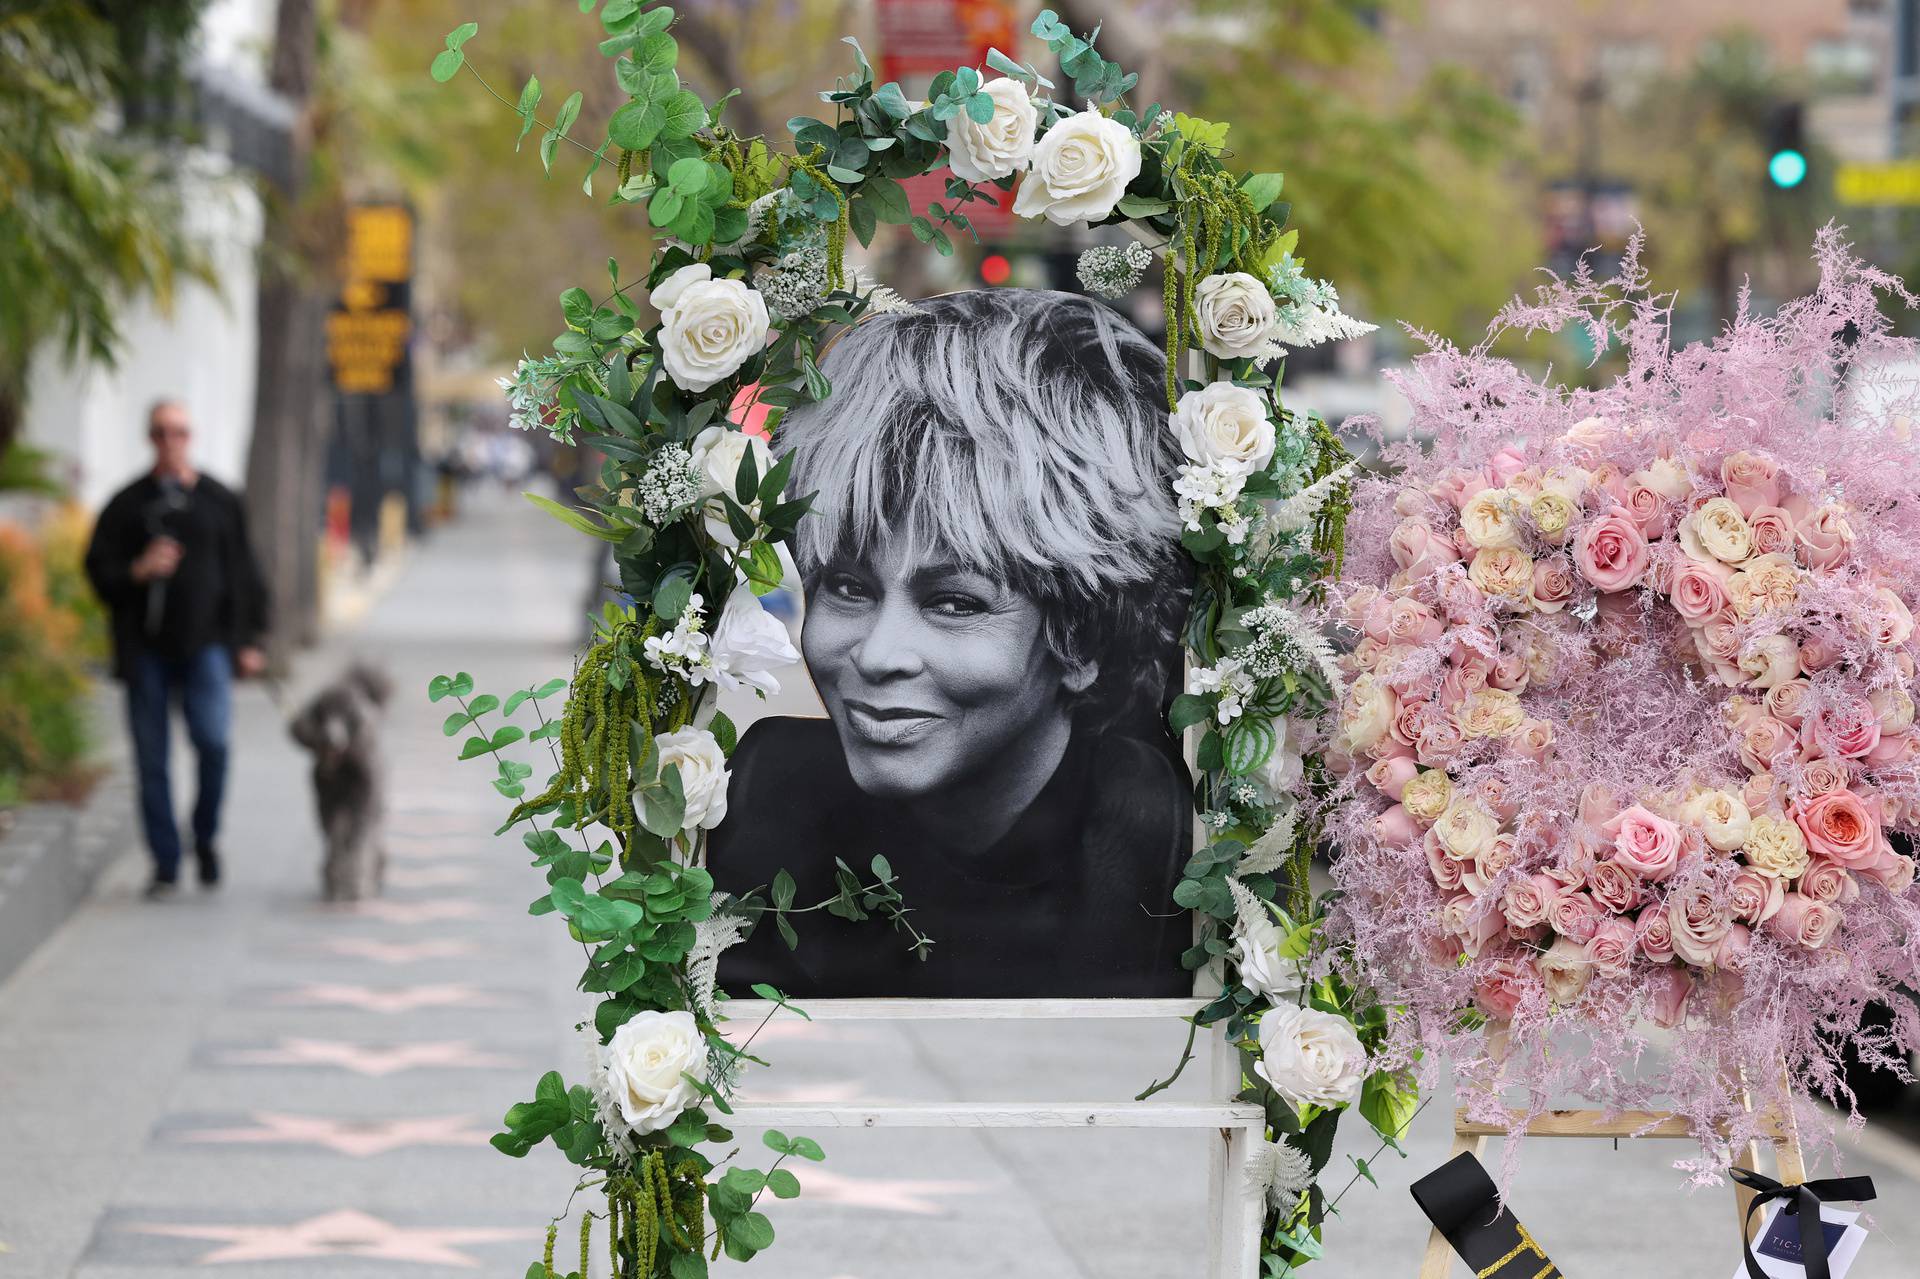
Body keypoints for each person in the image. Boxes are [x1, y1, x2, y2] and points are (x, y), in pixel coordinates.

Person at [712, 290, 1194, 998]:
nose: (879, 654)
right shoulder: (762, 804)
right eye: (848, 587)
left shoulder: (1151, 851)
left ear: (1083, 633)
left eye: (954, 602)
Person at [85, 400, 270, 898]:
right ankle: (165, 860)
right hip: (145, 650)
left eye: (180, 432)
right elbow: (99, 572)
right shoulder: (126, 504)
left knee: (213, 743)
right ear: (150, 438)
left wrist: (250, 639)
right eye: (161, 432)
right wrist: (138, 571)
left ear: (193, 437)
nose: (171, 441)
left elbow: (245, 573)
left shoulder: (219, 500)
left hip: (206, 644)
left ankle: (204, 838)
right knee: (151, 759)